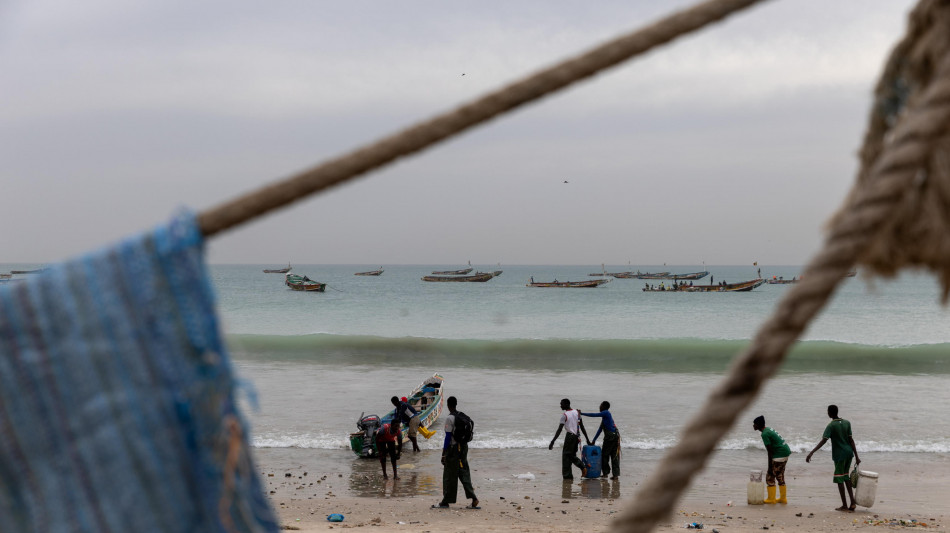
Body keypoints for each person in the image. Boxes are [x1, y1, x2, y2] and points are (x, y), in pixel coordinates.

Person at [806, 405, 861, 512]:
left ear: (830, 413)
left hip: (839, 455)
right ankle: (852, 502)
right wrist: (857, 457)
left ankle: (845, 505)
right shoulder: (847, 423)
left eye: (827, 411)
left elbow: (824, 440)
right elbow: (851, 440)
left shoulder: (831, 426)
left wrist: (811, 452)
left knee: (839, 478)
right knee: (845, 477)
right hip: (849, 453)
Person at [433, 396, 479, 509]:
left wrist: (443, 454)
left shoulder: (450, 418)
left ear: (448, 405)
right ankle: (474, 498)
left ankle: (446, 502)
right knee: (463, 472)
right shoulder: (462, 415)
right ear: (456, 404)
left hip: (454, 449)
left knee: (449, 474)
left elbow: (448, 437)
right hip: (464, 447)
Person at [549, 398, 591, 480]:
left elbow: (559, 429)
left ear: (566, 404)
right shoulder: (577, 412)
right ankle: (568, 476)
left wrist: (553, 441)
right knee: (570, 456)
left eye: (561, 404)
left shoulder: (564, 415)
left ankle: (581, 467)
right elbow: (582, 427)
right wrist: (587, 439)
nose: (560, 405)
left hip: (570, 437)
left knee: (567, 455)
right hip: (576, 437)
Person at [753, 415, 791, 504]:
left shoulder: (764, 434)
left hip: (779, 454)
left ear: (758, 425)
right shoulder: (768, 429)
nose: (753, 426)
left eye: (754, 424)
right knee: (780, 475)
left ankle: (771, 499)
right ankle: (782, 499)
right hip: (785, 452)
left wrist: (770, 466)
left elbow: (769, 451)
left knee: (770, 477)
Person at [581, 401, 620, 479]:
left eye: (600, 405)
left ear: (604, 406)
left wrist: (581, 413)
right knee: (614, 455)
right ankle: (615, 475)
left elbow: (594, 415)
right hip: (615, 436)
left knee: (605, 455)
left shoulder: (606, 413)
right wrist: (594, 440)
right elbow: (600, 430)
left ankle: (606, 473)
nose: (599, 407)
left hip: (610, 438)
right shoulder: (605, 417)